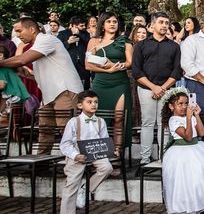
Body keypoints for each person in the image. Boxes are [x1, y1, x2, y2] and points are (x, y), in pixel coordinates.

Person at [0, 17, 83, 154]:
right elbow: (37, 74)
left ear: (32, 29)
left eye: (19, 31)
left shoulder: (46, 39)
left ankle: (79, 164)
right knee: (45, 130)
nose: (17, 35)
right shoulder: (37, 46)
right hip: (49, 94)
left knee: (67, 130)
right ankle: (42, 164)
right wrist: (23, 74)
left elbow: (21, 59)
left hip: (65, 90)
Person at [160, 87, 204, 214]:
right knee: (186, 178)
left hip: (196, 147)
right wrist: (187, 118)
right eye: (180, 104)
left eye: (186, 103)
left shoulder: (190, 116)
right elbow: (187, 136)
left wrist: (196, 115)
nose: (184, 106)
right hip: (180, 152)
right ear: (171, 106)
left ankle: (201, 201)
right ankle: (186, 203)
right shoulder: (173, 120)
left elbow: (202, 133)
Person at [58, 90, 114, 214]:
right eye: (89, 102)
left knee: (107, 167)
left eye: (95, 102)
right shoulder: (73, 122)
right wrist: (76, 155)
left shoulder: (100, 121)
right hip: (77, 152)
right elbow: (65, 144)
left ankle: (86, 189)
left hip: (95, 151)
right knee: (72, 180)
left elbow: (104, 140)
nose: (93, 104)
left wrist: (110, 150)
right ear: (80, 105)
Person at [131, 12, 182, 165]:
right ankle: (145, 159)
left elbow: (177, 71)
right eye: (161, 22)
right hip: (146, 89)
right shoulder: (141, 45)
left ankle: (163, 158)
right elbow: (136, 71)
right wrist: (153, 87)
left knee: (163, 124)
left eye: (167, 23)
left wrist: (163, 88)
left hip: (167, 89)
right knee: (147, 123)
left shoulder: (174, 46)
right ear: (152, 25)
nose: (165, 25)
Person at [86, 13, 133, 149]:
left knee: (119, 119)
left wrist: (118, 66)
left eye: (115, 21)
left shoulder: (124, 41)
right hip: (100, 83)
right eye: (109, 21)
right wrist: (108, 70)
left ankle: (118, 153)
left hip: (120, 83)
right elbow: (88, 65)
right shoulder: (93, 41)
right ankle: (101, 154)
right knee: (100, 120)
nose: (112, 24)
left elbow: (130, 62)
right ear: (103, 24)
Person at [58, 16, 91, 89]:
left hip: (83, 64)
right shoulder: (63, 33)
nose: (84, 27)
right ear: (74, 25)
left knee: (84, 88)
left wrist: (79, 33)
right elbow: (57, 47)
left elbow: (90, 43)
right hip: (69, 64)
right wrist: (68, 42)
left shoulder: (85, 33)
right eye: (81, 25)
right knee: (71, 87)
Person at [128, 25, 147, 128]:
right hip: (131, 78)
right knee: (133, 103)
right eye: (138, 32)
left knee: (141, 104)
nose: (141, 35)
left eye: (144, 33)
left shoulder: (148, 46)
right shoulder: (129, 46)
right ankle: (133, 129)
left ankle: (140, 128)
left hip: (144, 78)